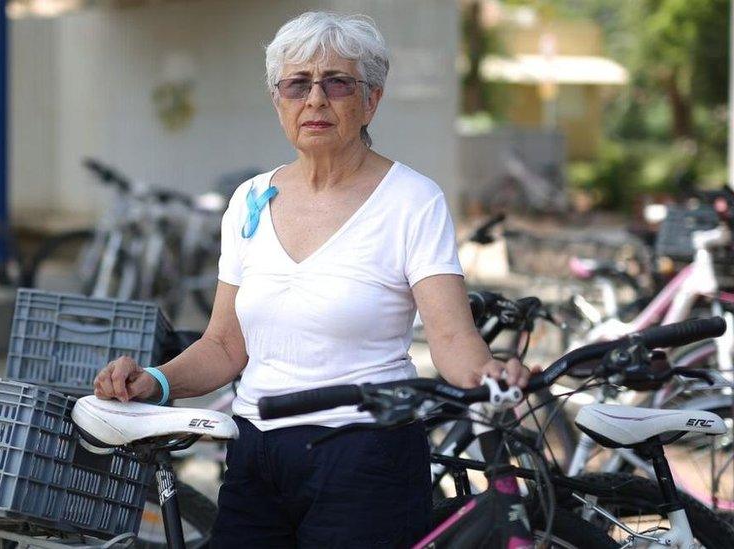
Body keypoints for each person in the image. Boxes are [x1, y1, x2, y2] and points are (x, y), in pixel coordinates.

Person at [92, 11, 534, 547]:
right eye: (297, 84)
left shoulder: (412, 200)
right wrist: (156, 383)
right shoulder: (250, 200)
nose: (316, 99)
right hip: (256, 453)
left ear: (370, 99)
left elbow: (450, 336)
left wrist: (488, 374)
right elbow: (225, 344)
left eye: (337, 83)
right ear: (279, 101)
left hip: (367, 455)